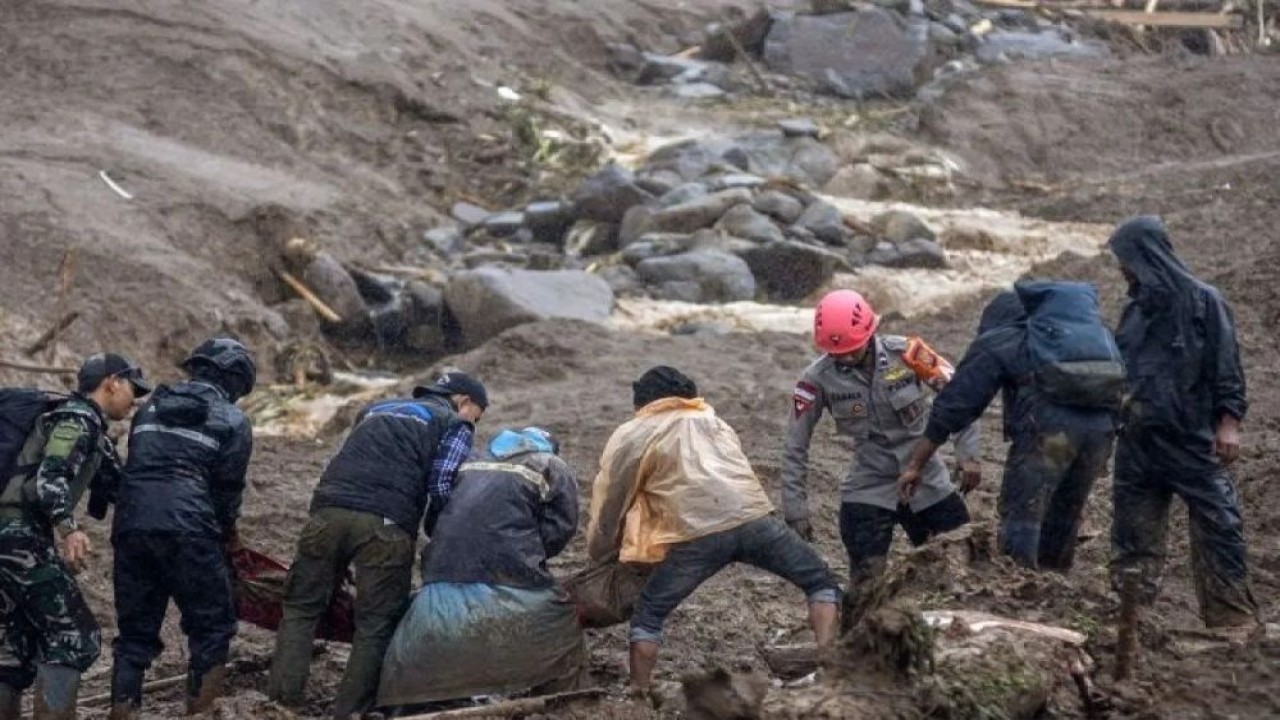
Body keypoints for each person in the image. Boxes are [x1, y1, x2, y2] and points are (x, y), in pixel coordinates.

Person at [588, 366, 840, 691]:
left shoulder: (633, 433)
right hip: (753, 518)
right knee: (820, 582)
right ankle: (831, 669)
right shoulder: (713, 419)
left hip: (697, 537)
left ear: (642, 403)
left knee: (649, 614)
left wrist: (600, 551)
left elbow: (612, 500)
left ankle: (638, 690)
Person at [268, 371, 487, 718]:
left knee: (300, 609)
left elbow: (348, 456)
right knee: (376, 623)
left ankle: (278, 705)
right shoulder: (455, 423)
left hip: (327, 511)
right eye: (478, 413)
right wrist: (437, 531)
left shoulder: (376, 408)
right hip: (386, 522)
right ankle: (350, 711)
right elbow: (442, 483)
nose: (475, 421)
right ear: (464, 401)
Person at [899, 282, 1119, 571]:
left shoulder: (1001, 340)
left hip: (1050, 435)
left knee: (1023, 514)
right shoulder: (1087, 340)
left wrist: (916, 464)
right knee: (1065, 513)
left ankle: (1020, 587)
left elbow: (953, 407)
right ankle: (1056, 587)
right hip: (1101, 433)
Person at [782, 290, 980, 605]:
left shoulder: (910, 353)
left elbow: (960, 396)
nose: (845, 358)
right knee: (865, 583)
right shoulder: (814, 380)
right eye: (838, 354)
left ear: (870, 332)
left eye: (851, 350)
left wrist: (967, 455)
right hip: (869, 484)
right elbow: (795, 444)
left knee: (959, 563)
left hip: (927, 478)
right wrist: (794, 508)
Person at [1107, 215, 1258, 628]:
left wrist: (1229, 422)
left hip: (1192, 437)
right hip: (1137, 442)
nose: (1121, 269)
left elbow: (1227, 365)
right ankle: (1133, 622)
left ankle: (1231, 617)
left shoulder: (1204, 301)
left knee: (1219, 525)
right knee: (1133, 536)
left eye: (1124, 259)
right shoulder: (1133, 311)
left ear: (1146, 256)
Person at [377, 427, 583, 709]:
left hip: (442, 567)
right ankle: (560, 700)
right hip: (510, 566)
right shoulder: (551, 465)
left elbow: (435, 517)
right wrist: (533, 553)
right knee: (561, 620)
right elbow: (562, 525)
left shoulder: (470, 462)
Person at [108, 338, 256, 718]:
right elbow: (226, 492)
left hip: (131, 525)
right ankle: (201, 711)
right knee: (213, 626)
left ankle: (122, 711)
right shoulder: (233, 419)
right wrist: (228, 539)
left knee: (135, 634)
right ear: (236, 380)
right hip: (190, 527)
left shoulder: (149, 408)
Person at [0, 354, 149, 720]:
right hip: (18, 536)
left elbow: (121, 486)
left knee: (11, 646)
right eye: (133, 389)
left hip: (12, 537)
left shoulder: (90, 428)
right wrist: (69, 529)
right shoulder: (76, 420)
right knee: (75, 635)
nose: (136, 400)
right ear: (111, 382)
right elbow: (50, 478)